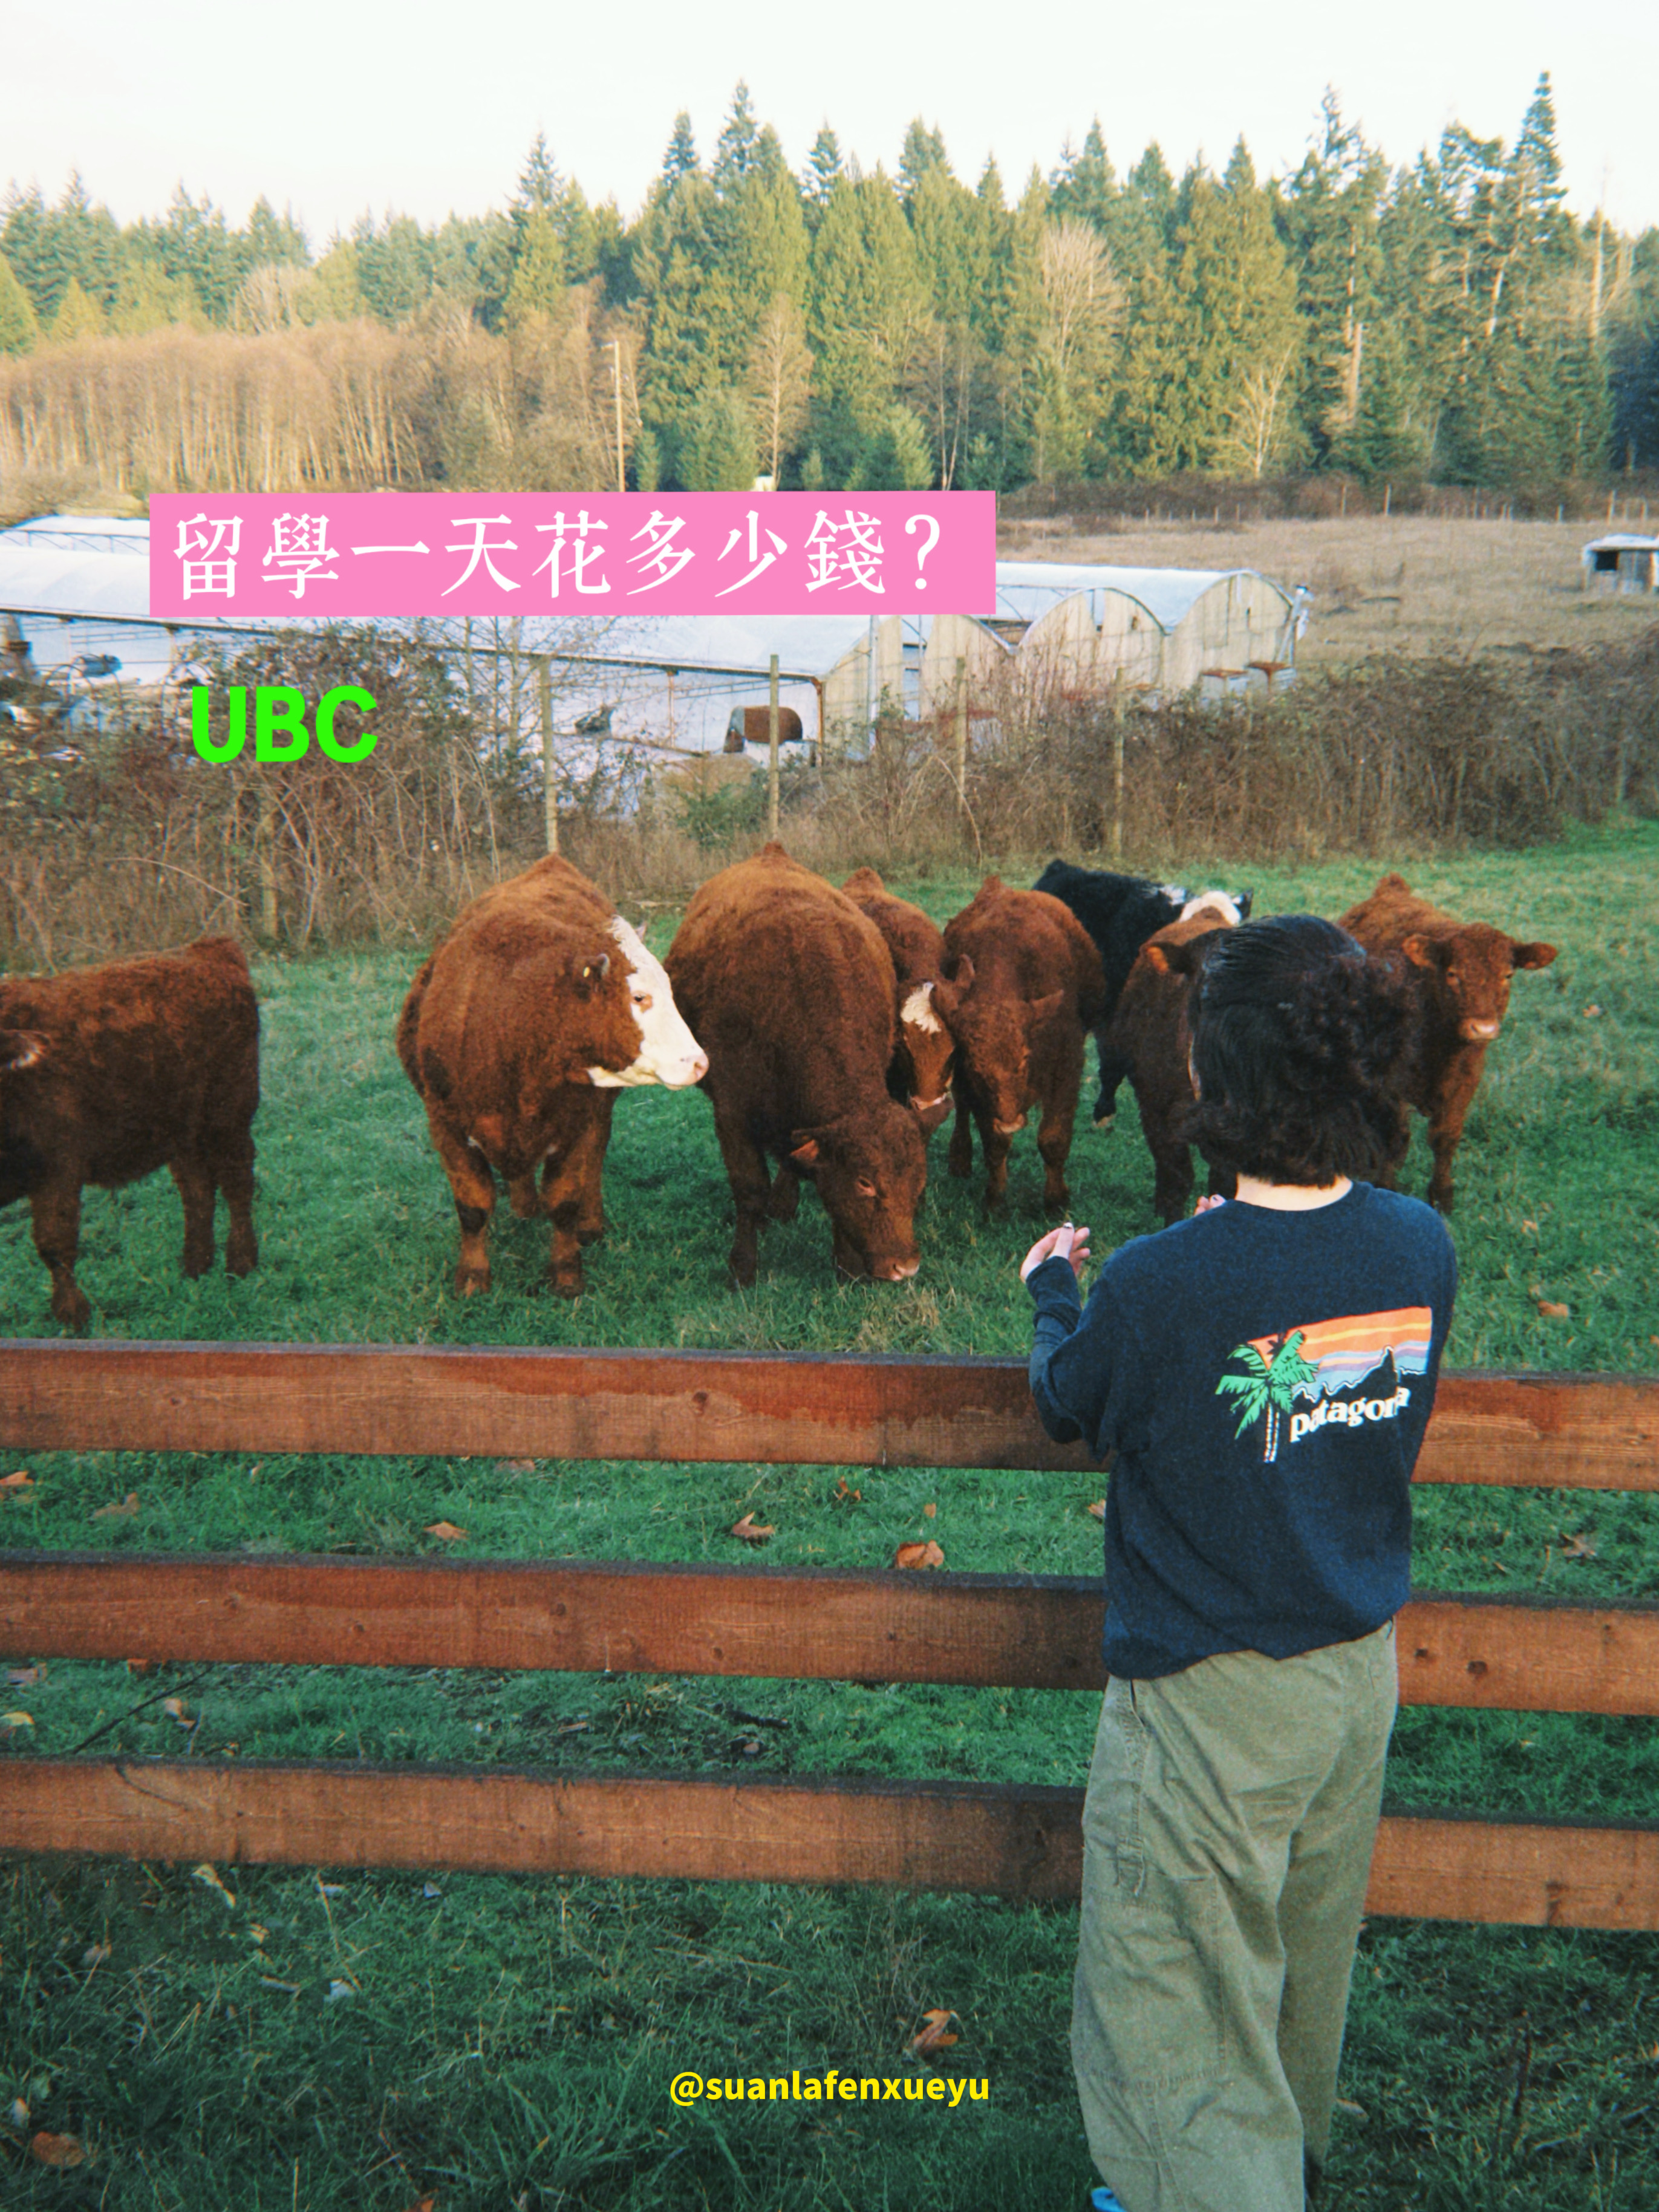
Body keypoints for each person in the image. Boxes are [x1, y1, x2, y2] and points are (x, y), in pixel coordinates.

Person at [1020, 915, 1457, 2212]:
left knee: (1175, 1990)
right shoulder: (1415, 1243)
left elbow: (1070, 1398)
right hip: (1350, 1679)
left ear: (1208, 1070)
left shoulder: (1162, 1280)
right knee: (1296, 1962)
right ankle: (1282, 2166)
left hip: (1208, 1694)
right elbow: (1330, 1348)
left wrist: (1057, 1292)